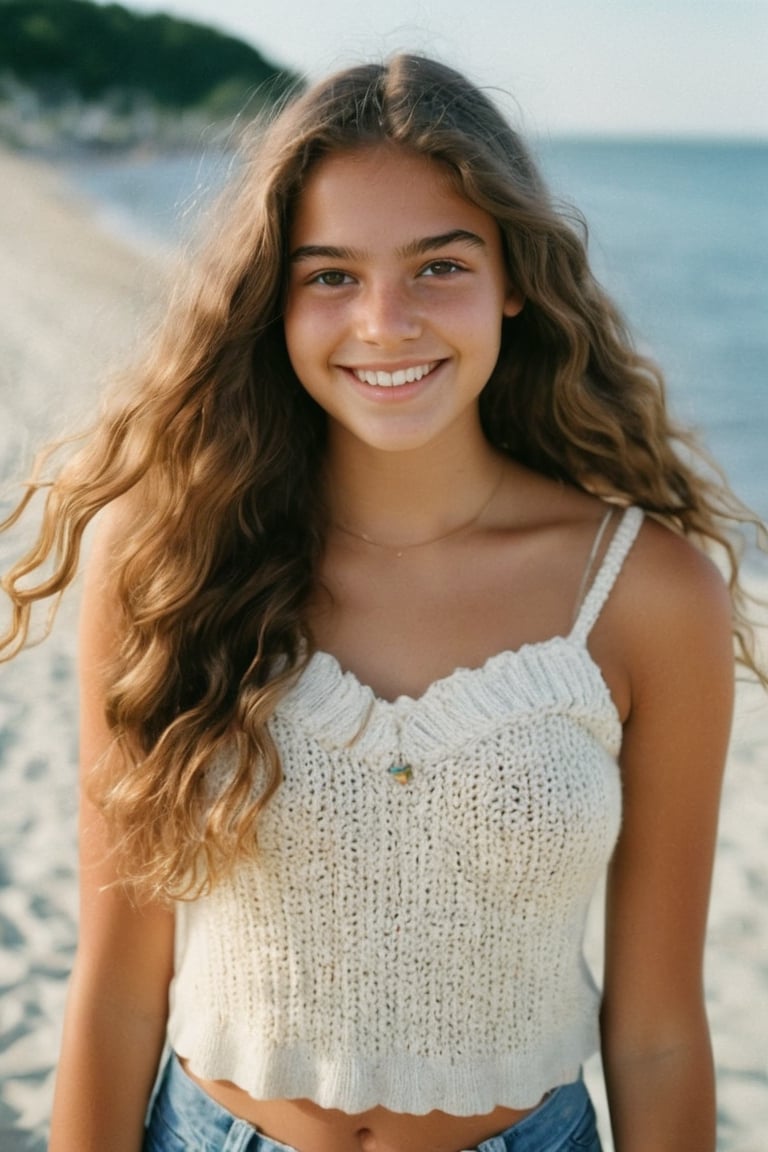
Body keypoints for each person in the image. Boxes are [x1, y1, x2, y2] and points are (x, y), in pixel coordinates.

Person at [2, 53, 765, 1152]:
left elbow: (654, 1029)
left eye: (438, 267)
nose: (385, 323)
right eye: (331, 276)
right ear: (275, 300)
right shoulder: (169, 562)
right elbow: (119, 987)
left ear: (514, 278)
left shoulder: (645, 593)